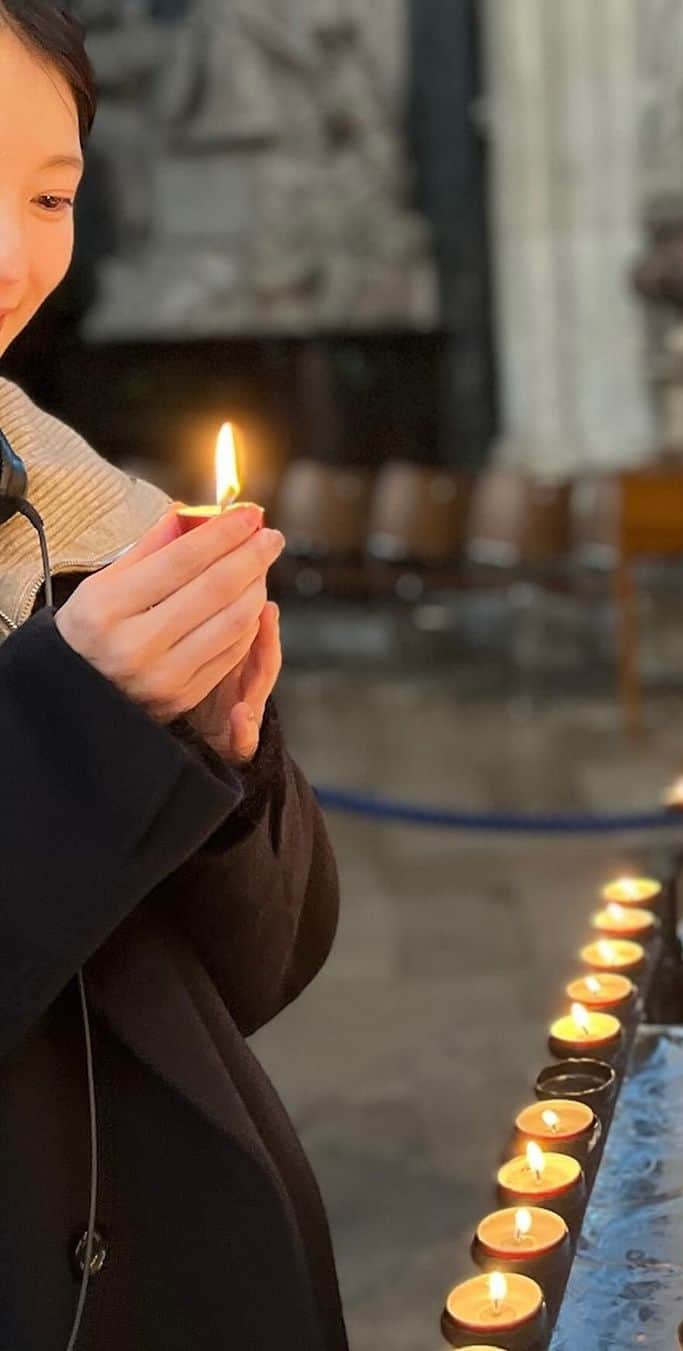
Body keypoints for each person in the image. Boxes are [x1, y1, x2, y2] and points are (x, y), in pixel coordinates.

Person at [0, 4, 349, 1348]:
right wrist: (70, 728)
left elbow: (253, 971)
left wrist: (221, 756)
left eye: (51, 194)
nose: (15, 255)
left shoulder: (76, 517)